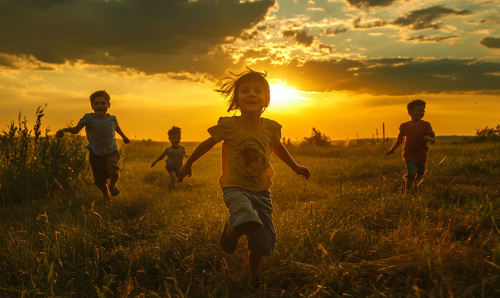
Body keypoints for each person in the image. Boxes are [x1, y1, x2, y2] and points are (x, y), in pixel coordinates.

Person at [177, 68, 310, 288]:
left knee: (261, 238)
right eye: (245, 90)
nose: (251, 94)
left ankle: (252, 273)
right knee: (246, 214)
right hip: (234, 187)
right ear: (236, 99)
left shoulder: (270, 128)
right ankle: (231, 230)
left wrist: (295, 167)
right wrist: (188, 163)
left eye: (257, 91)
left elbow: (278, 148)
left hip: (261, 191)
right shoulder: (228, 125)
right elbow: (206, 144)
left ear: (266, 100)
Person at [56, 90, 130, 199]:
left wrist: (124, 137)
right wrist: (64, 130)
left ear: (108, 105)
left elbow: (116, 128)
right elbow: (76, 129)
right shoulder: (88, 118)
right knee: (100, 181)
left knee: (114, 170)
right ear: (92, 106)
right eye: (96, 103)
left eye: (103, 103)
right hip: (96, 154)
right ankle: (107, 198)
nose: (100, 106)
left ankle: (113, 185)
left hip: (111, 151)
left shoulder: (112, 119)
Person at [386, 99, 435, 193]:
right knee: (412, 173)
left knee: (420, 174)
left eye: (423, 110)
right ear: (410, 112)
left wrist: (428, 138)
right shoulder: (405, 126)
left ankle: (414, 184)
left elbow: (433, 140)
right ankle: (407, 192)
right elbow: (400, 139)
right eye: (419, 110)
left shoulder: (426, 125)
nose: (422, 112)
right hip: (409, 154)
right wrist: (392, 149)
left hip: (422, 154)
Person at [151, 126, 189, 190]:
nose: (176, 139)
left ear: (180, 138)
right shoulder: (168, 149)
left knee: (179, 180)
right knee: (173, 176)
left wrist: (191, 156)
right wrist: (155, 162)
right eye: (174, 138)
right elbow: (162, 156)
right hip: (170, 166)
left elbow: (185, 155)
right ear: (169, 139)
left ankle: (170, 186)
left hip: (179, 167)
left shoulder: (182, 148)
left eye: (178, 138)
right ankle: (173, 189)